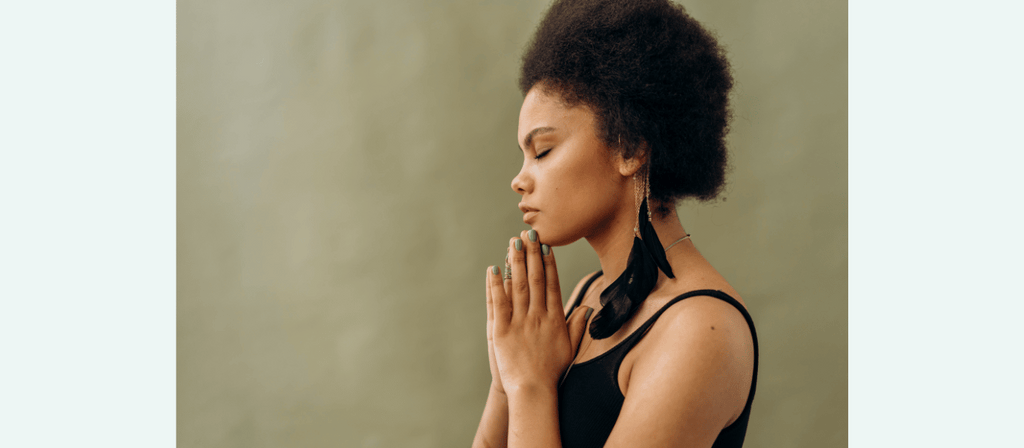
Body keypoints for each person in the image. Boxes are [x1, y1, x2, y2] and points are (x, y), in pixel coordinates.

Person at [471, 0, 758, 447]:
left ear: (629, 149)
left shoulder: (699, 330)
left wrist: (529, 386)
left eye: (543, 151)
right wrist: (505, 381)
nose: (519, 180)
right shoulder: (588, 295)